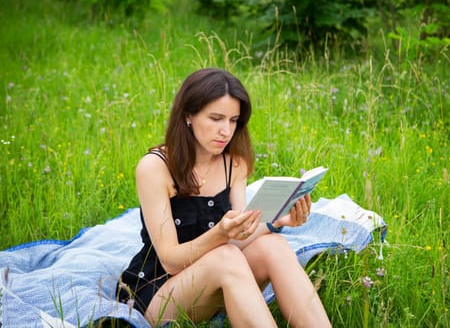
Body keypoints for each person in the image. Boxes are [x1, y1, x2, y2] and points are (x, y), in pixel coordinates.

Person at [115, 68, 331, 327]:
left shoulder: (234, 163)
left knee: (274, 245)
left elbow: (239, 238)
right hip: (160, 293)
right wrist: (220, 234)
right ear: (188, 116)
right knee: (225, 256)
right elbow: (170, 261)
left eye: (233, 120)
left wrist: (277, 221)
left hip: (215, 282)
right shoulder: (155, 167)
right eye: (216, 118)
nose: (225, 131)